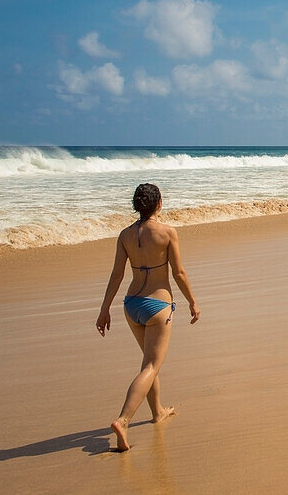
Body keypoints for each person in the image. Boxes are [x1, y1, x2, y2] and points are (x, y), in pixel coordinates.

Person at [96, 183, 200, 452]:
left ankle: (158, 412)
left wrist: (104, 309)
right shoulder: (167, 233)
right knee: (151, 366)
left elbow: (117, 275)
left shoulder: (124, 235)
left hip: (131, 305)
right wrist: (192, 301)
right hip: (158, 306)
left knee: (149, 362)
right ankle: (123, 419)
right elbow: (178, 273)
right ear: (159, 204)